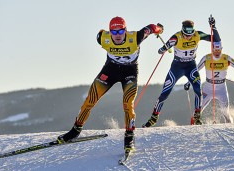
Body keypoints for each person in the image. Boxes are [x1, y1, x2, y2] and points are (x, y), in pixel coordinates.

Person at [57, 16, 164, 152]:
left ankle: (129, 136)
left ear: (126, 30)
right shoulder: (102, 38)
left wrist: (159, 30)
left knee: (127, 103)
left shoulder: (136, 37)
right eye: (114, 32)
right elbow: (100, 32)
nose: (117, 35)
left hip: (129, 72)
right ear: (109, 32)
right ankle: (75, 130)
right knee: (90, 100)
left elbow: (151, 27)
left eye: (120, 31)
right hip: (110, 70)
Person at [142, 16, 221, 127]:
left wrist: (213, 27)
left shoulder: (197, 35)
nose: (188, 37)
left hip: (191, 67)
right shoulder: (176, 37)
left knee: (198, 91)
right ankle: (154, 117)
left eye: (190, 34)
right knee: (165, 93)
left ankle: (197, 117)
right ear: (182, 31)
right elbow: (160, 51)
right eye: (186, 34)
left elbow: (216, 39)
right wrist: (164, 48)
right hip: (177, 67)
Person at [184, 41, 234, 123]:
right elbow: (195, 71)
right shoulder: (206, 58)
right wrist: (188, 82)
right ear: (212, 49)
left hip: (221, 89)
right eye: (215, 50)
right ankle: (193, 129)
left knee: (226, 112)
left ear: (221, 49)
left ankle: (230, 130)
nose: (217, 52)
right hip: (208, 88)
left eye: (219, 50)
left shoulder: (226, 58)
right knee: (197, 111)